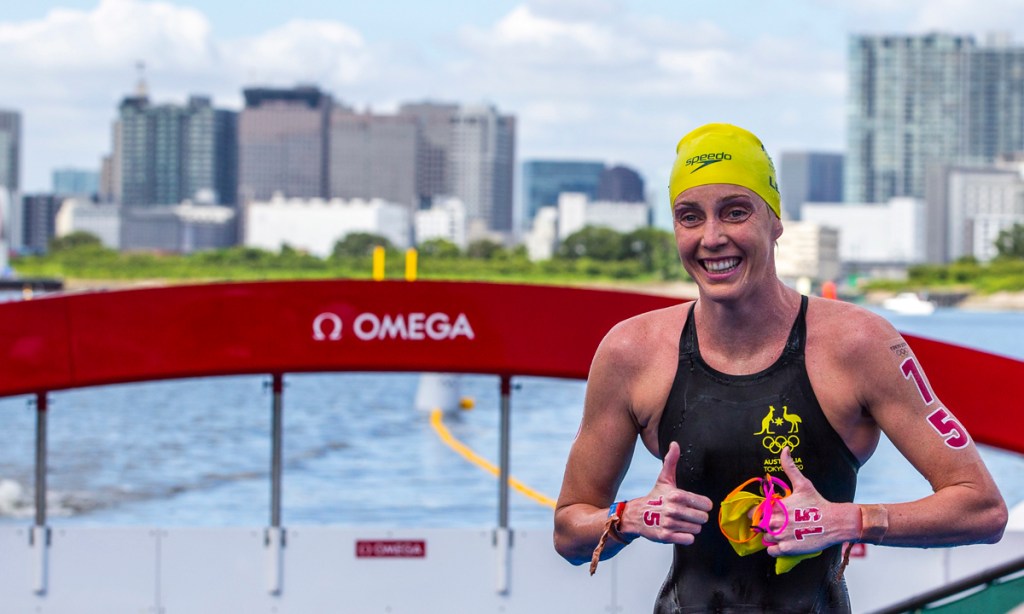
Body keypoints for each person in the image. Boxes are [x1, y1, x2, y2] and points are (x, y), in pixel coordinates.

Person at [553, 123, 1008, 612]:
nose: (712, 237)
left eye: (735, 212)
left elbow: (981, 507)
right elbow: (568, 530)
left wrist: (851, 521)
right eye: (690, 217)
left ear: (775, 221)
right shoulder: (631, 352)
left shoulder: (860, 345)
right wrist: (627, 518)